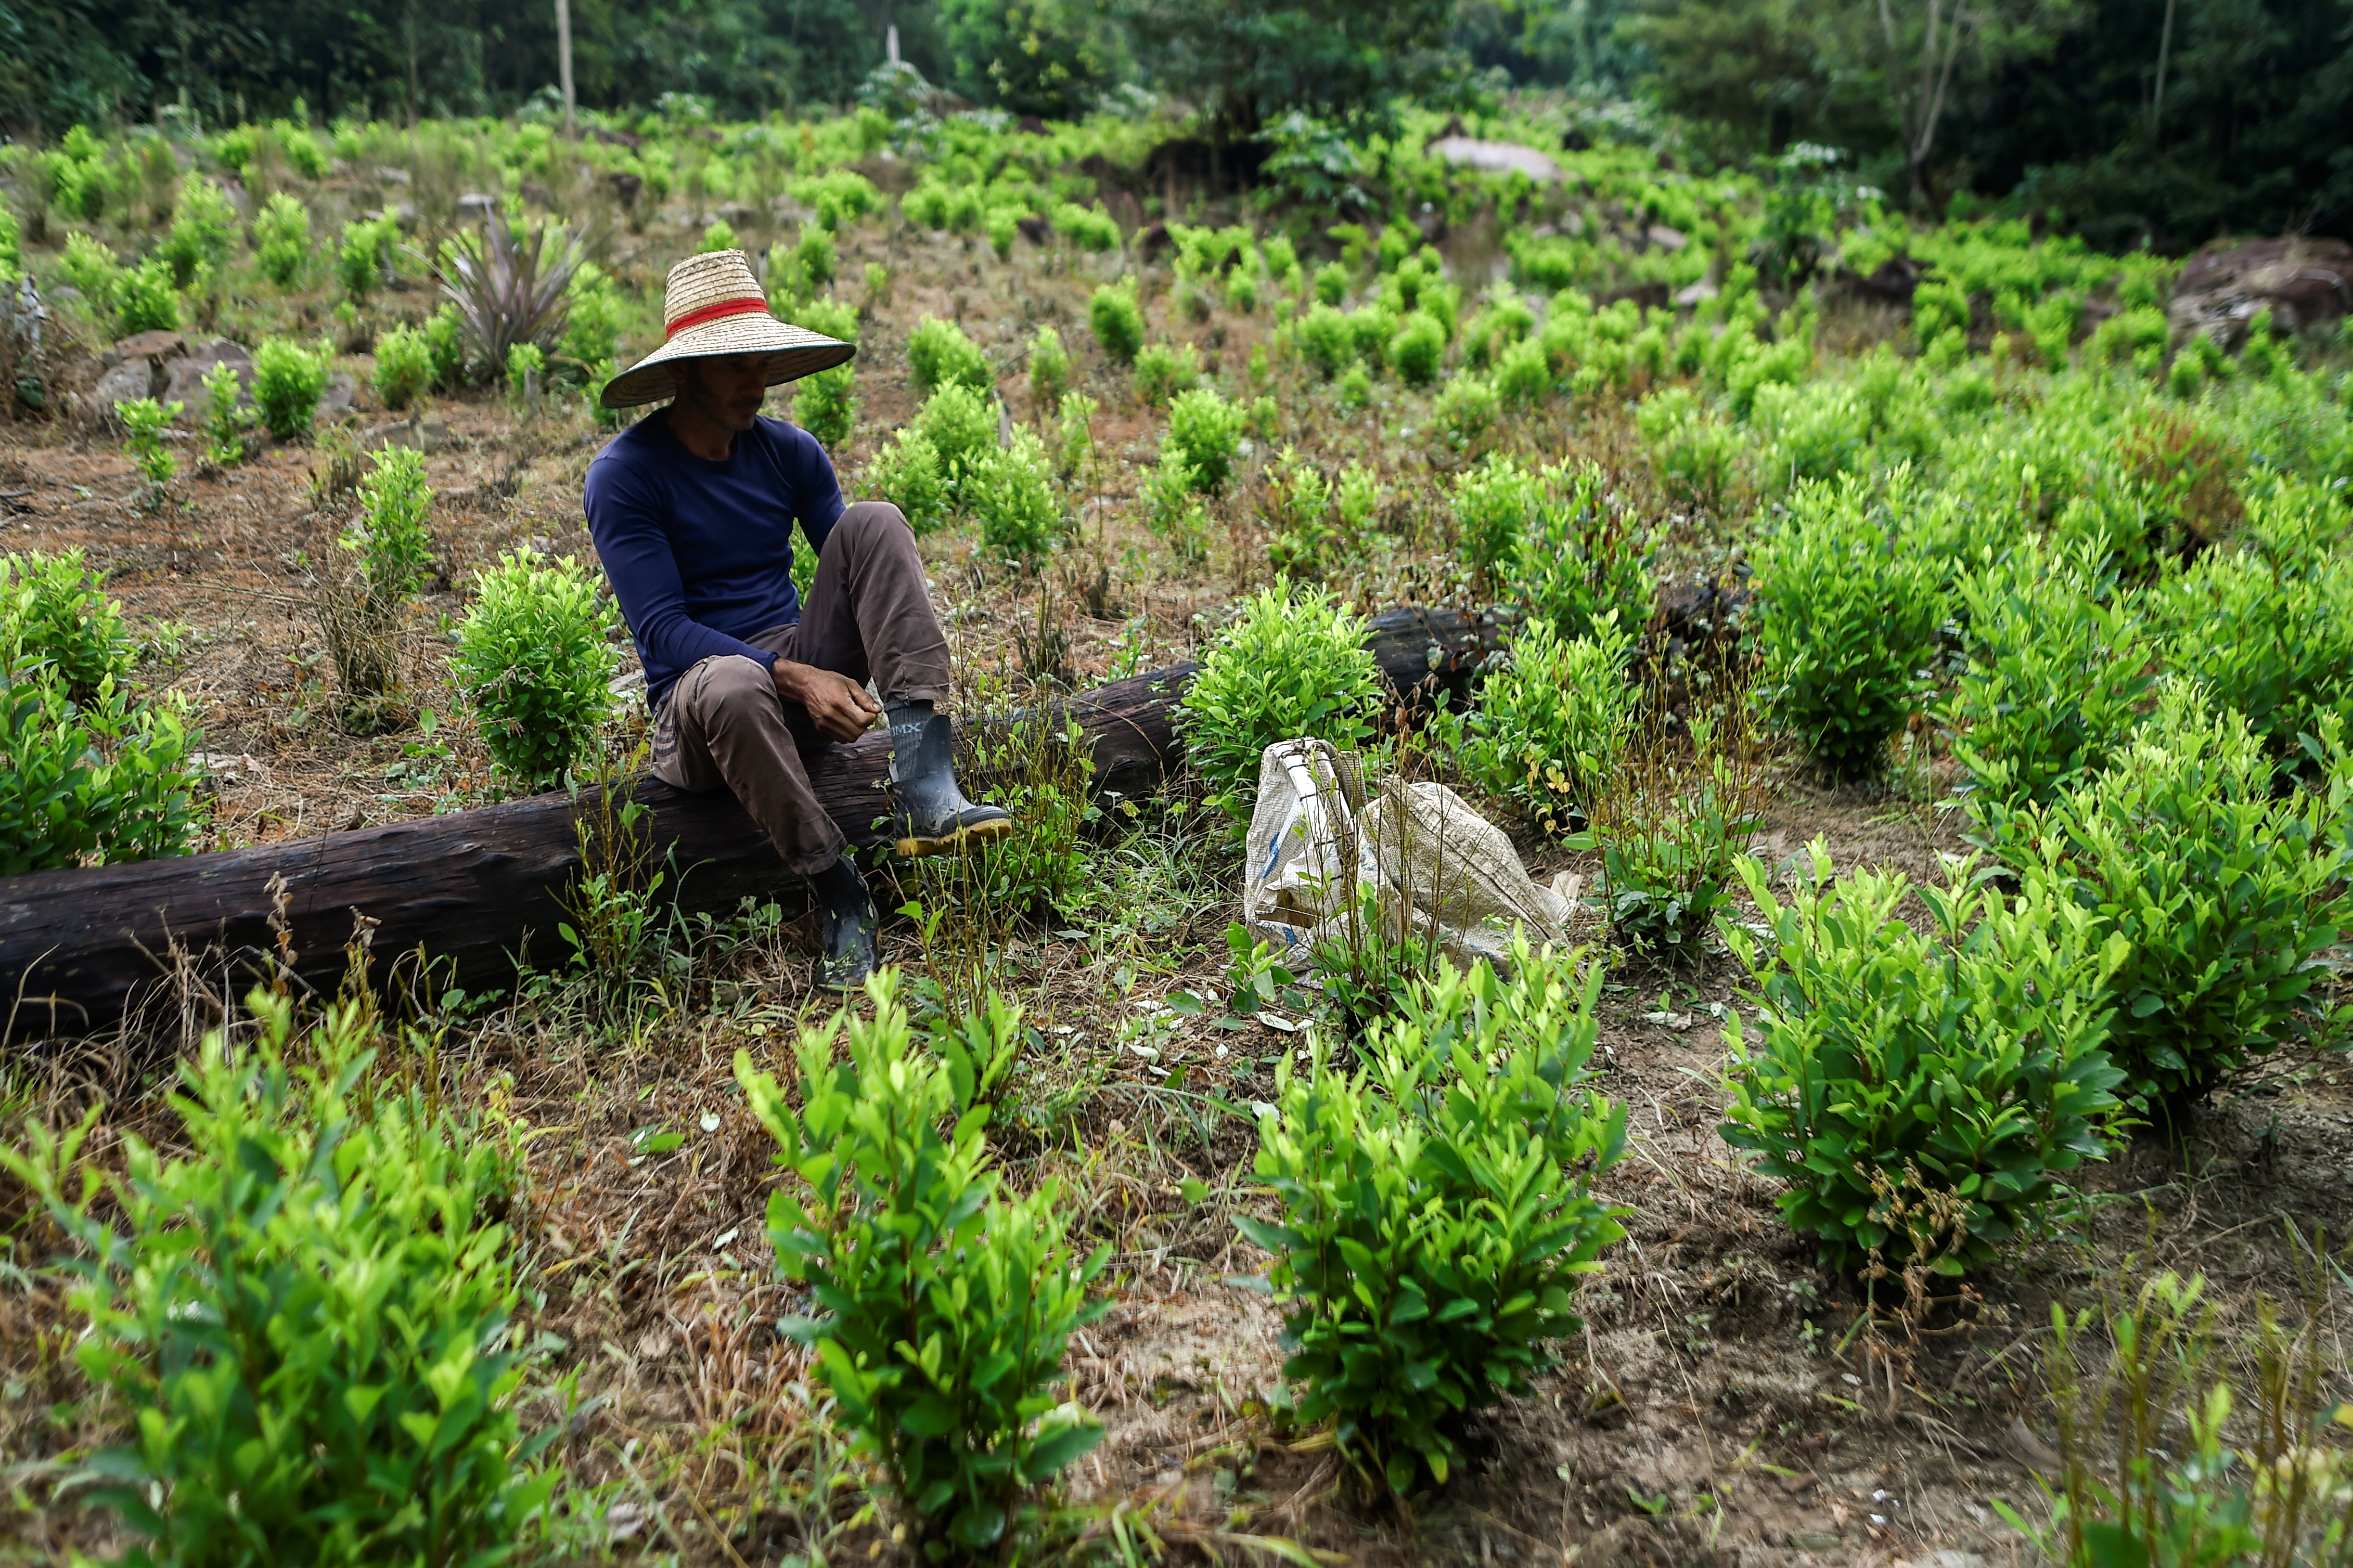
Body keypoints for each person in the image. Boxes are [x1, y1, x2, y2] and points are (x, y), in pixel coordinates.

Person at [583, 250, 1010, 992]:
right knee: (733, 685)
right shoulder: (625, 475)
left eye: (762, 360)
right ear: (682, 372)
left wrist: (826, 671)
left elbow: (859, 572)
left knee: (875, 524)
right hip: (702, 707)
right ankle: (838, 891)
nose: (757, 381)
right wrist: (794, 675)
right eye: (735, 364)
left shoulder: (790, 454)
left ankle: (927, 783)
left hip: (787, 674)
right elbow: (661, 631)